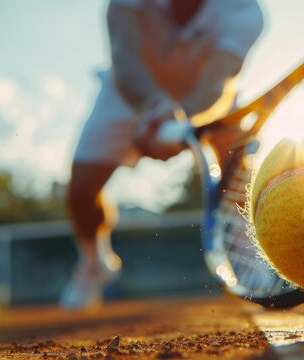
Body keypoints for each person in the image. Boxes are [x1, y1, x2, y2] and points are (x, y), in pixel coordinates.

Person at [60, 0, 264, 308]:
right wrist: (155, 108)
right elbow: (125, 58)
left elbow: (216, 79)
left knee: (237, 167)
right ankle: (93, 263)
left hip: (209, 103)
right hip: (128, 96)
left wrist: (179, 118)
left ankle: (244, 249)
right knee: (80, 191)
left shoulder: (245, 10)